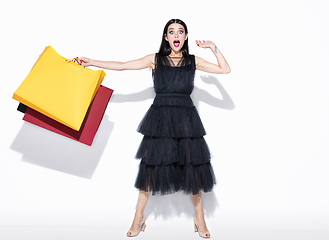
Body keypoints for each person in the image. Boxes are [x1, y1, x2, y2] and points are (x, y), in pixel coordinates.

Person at [78, 19, 230, 238]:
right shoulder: (155, 60)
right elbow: (122, 65)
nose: (176, 35)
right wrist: (91, 61)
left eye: (180, 31)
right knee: (150, 169)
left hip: (186, 120)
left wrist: (213, 47)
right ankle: (138, 217)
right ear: (166, 37)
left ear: (185, 37)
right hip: (160, 120)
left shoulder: (193, 61)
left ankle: (200, 218)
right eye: (171, 31)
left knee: (193, 169)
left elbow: (225, 69)